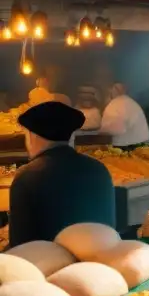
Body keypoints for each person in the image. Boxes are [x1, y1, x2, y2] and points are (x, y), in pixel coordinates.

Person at [8, 101, 115, 246]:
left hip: (49, 265)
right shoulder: (99, 169)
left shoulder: (27, 177)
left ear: (32, 136)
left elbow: (20, 245)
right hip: (100, 260)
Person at [100, 83, 149, 147]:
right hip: (141, 142)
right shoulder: (131, 102)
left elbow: (116, 129)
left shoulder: (115, 104)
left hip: (127, 145)